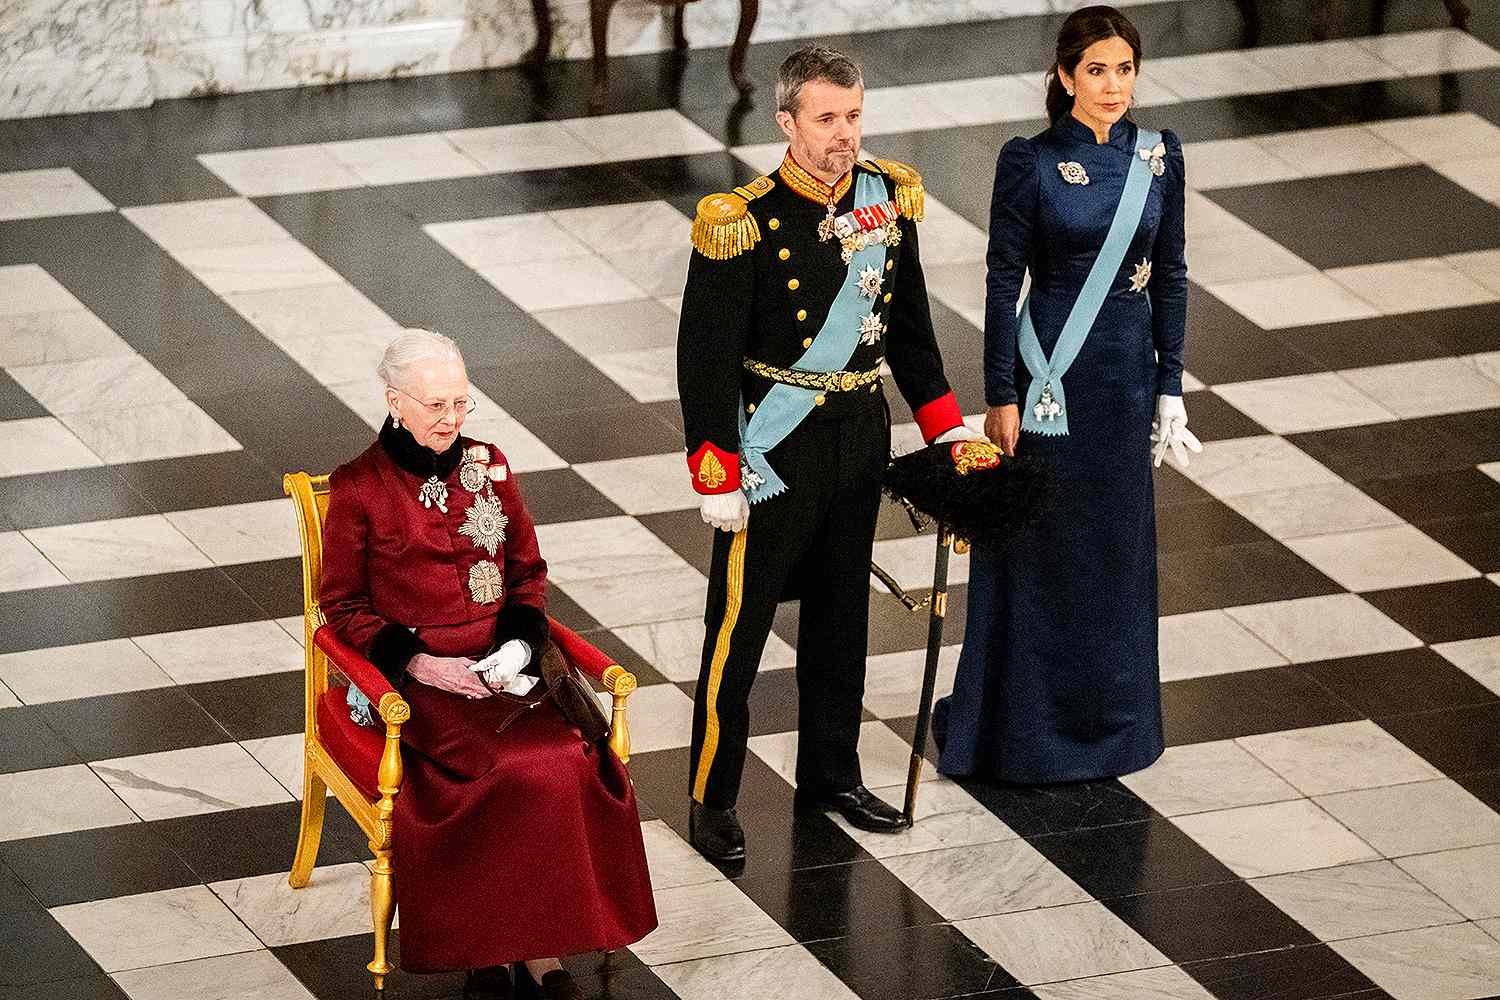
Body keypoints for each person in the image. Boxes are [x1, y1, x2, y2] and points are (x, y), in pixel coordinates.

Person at [676, 43, 985, 864]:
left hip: (858, 434)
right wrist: (716, 469)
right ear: (786, 122)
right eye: (825, 119)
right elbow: (703, 358)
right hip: (774, 447)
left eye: (853, 116)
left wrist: (945, 425)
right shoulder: (743, 220)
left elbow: (910, 325)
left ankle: (831, 776)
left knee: (843, 622)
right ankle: (713, 796)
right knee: (737, 632)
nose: (843, 135)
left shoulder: (889, 198)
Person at [320, 329, 657, 1000]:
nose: (451, 420)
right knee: (502, 769)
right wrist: (418, 664)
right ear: (395, 401)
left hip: (505, 669)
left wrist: (520, 645)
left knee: (568, 757)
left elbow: (526, 571)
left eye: (461, 404)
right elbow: (342, 605)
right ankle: (488, 953)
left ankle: (540, 951)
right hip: (417, 678)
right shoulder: (358, 487)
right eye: (435, 405)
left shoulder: (490, 464)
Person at [934, 6, 1201, 784]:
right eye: (1095, 70)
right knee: (1040, 549)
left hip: (1121, 386)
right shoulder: (1031, 160)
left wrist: (1170, 384)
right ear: (1064, 76)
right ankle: (1023, 731)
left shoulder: (1160, 158)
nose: (1112, 85)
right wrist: (1000, 393)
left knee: (1114, 551)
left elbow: (1174, 272)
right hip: (1048, 378)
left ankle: (1112, 729)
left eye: (1123, 69)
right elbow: (999, 279)